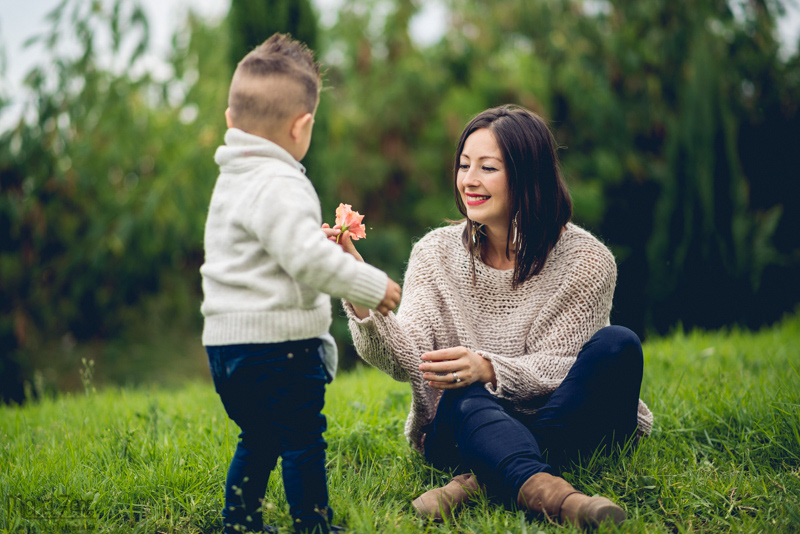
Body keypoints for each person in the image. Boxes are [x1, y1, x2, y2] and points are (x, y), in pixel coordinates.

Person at [329, 105, 653, 528]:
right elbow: (405, 358)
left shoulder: (588, 261)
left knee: (619, 345)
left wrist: (488, 366)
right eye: (464, 165)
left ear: (528, 175)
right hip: (466, 423)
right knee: (462, 391)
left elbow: (563, 368)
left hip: (559, 411)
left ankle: (476, 482)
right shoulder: (435, 253)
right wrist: (359, 287)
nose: (469, 180)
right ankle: (560, 499)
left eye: (488, 167)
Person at [200, 33, 402, 534]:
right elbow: (307, 262)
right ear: (302, 126)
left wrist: (309, 240)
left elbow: (273, 248)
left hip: (226, 349)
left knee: (260, 437)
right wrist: (370, 285)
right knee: (302, 440)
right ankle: (313, 525)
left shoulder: (233, 180)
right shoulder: (282, 182)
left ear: (231, 121)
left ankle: (239, 522)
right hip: (279, 349)